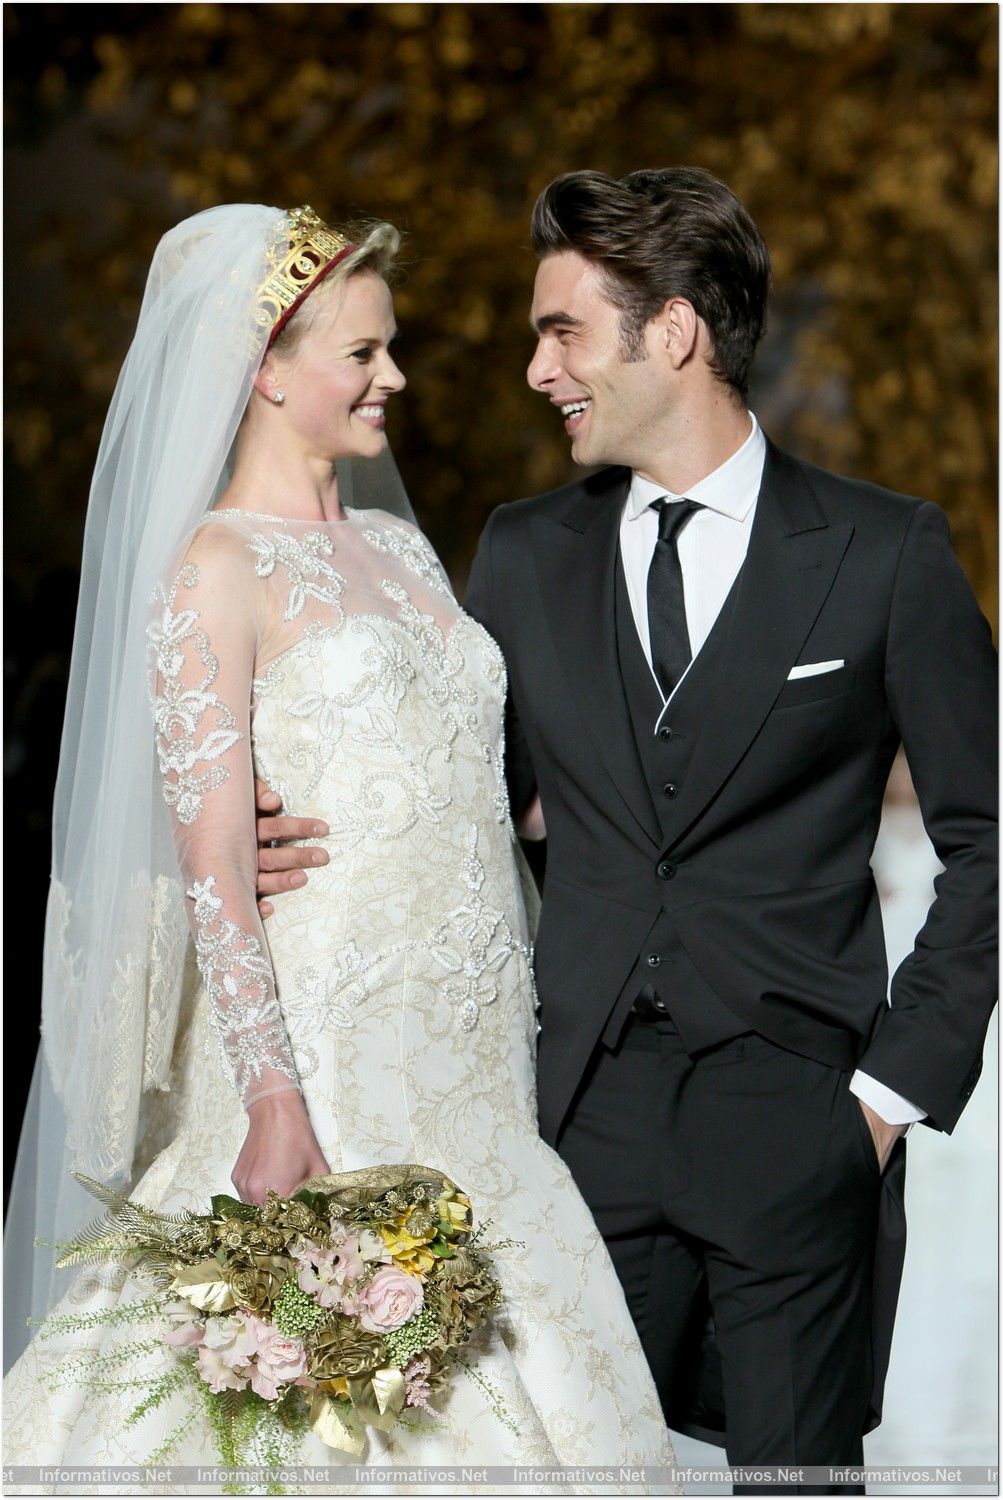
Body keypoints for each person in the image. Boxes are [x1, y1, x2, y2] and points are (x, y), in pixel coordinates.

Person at [261, 167, 997, 1477]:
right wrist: (286, 837)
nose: (537, 369)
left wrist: (883, 1101)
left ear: (675, 332)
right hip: (569, 1125)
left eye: (562, 332)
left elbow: (987, 836)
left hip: (798, 1116)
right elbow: (462, 809)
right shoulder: (522, 552)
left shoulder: (882, 553)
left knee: (796, 1481)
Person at [3, 202, 676, 1475]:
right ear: (263, 370)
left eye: (389, 346)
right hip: (327, 1052)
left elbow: (463, 784)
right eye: (362, 353)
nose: (394, 377)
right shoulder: (214, 567)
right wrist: (272, 1099)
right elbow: (214, 864)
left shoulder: (400, 548)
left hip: (476, 1057)